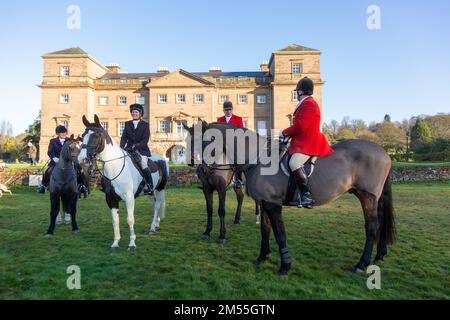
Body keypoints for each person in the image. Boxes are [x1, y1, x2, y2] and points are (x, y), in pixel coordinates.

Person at [282, 77, 334, 209]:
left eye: (297, 91)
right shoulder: (305, 103)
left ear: (301, 91)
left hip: (309, 142)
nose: (296, 94)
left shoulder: (309, 104)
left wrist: (285, 132)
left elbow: (301, 126)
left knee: (294, 162)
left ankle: (307, 195)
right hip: (302, 140)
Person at [197, 101, 245, 189]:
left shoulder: (238, 119)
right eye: (226, 110)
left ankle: (238, 180)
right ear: (223, 110)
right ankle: (205, 180)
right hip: (221, 144)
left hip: (234, 144)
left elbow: (241, 133)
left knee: (239, 160)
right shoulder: (220, 120)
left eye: (230, 109)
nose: (228, 111)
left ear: (232, 109)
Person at [36, 125, 88, 195]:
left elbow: (75, 148)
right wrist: (54, 158)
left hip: (69, 160)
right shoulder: (53, 141)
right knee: (46, 170)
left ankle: (82, 185)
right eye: (62, 133)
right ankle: (43, 185)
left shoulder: (70, 140)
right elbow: (50, 152)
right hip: (56, 160)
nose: (64, 134)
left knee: (80, 169)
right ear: (58, 134)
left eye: (65, 132)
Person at [120, 103, 154, 195]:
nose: (134, 113)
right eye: (133, 112)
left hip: (141, 151)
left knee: (143, 164)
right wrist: (121, 148)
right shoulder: (127, 124)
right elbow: (124, 137)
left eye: (136, 112)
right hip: (128, 150)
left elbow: (145, 140)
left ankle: (150, 185)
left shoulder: (145, 125)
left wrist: (136, 146)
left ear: (140, 113)